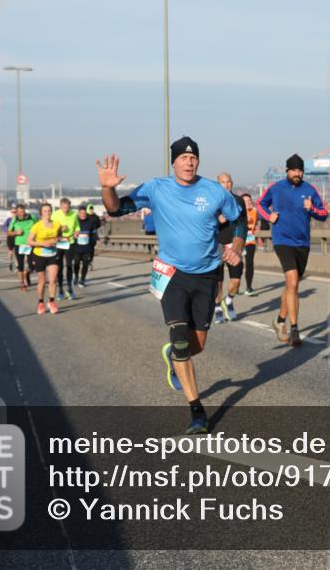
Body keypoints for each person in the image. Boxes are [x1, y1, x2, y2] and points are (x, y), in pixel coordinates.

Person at [98, 136, 245, 435]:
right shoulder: (156, 188)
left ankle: (173, 356)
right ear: (174, 161)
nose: (189, 162)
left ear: (198, 162)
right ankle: (197, 411)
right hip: (171, 272)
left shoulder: (214, 191)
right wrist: (107, 188)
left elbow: (239, 219)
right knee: (180, 339)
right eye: (183, 158)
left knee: (197, 344)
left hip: (207, 274)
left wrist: (237, 247)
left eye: (193, 158)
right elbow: (116, 209)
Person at [257, 154, 329, 346]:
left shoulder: (310, 190)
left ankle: (279, 321)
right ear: (287, 171)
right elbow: (260, 205)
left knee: (292, 286)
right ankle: (294, 329)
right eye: (294, 170)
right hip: (282, 241)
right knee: (293, 280)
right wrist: (269, 216)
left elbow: (324, 214)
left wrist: (312, 208)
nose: (297, 173)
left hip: (302, 244)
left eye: (300, 170)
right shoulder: (276, 188)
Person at [213, 173, 247, 324]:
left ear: (232, 183)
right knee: (218, 283)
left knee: (236, 282)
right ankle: (217, 307)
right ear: (217, 184)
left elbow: (243, 223)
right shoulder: (212, 201)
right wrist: (217, 220)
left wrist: (238, 245)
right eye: (222, 182)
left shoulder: (238, 201)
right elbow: (202, 224)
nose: (226, 184)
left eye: (228, 182)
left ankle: (228, 301)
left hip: (234, 245)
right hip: (216, 245)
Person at [27, 203, 63, 315]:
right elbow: (29, 241)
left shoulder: (57, 225)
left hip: (53, 254)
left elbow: (60, 237)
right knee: (42, 281)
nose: (47, 213)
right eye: (45, 211)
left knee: (53, 280)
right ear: (41, 213)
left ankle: (52, 301)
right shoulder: (37, 226)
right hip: (39, 255)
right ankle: (41, 302)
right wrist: (43, 243)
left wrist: (56, 240)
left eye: (49, 211)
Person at [51, 198, 80, 300]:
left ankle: (70, 289)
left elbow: (77, 226)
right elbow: (50, 228)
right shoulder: (55, 214)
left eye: (67, 207)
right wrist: (59, 229)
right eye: (63, 207)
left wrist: (77, 232)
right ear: (60, 206)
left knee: (69, 265)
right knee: (59, 267)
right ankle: (60, 291)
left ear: (69, 206)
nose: (65, 209)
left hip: (70, 242)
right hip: (59, 243)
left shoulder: (73, 214)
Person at [7, 204, 36, 292]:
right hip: (19, 244)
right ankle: (22, 284)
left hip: (31, 244)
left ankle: (27, 273)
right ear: (16, 212)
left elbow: (38, 226)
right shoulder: (14, 220)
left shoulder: (32, 217)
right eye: (19, 212)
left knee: (33, 264)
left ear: (25, 210)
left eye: (22, 211)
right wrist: (16, 232)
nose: (21, 214)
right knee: (20, 265)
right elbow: (9, 233)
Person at [73, 205, 97, 287]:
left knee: (85, 264)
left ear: (86, 213)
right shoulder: (75, 221)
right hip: (77, 247)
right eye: (81, 213)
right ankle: (76, 276)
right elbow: (71, 232)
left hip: (87, 247)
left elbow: (94, 234)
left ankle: (82, 279)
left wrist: (93, 242)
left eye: (84, 213)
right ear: (78, 213)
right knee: (76, 262)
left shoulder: (90, 222)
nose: (83, 214)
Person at [241, 193, 258, 296]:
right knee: (238, 265)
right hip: (238, 241)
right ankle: (236, 284)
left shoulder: (254, 211)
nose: (247, 203)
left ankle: (249, 287)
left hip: (250, 240)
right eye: (244, 201)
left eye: (249, 201)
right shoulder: (237, 212)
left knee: (249, 264)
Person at [85, 204, 102, 270]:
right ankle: (86, 260)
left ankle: (90, 261)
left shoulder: (96, 217)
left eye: (92, 209)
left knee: (91, 249)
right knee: (86, 249)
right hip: (85, 235)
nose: (91, 210)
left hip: (93, 235)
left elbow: (99, 224)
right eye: (90, 209)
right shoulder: (84, 216)